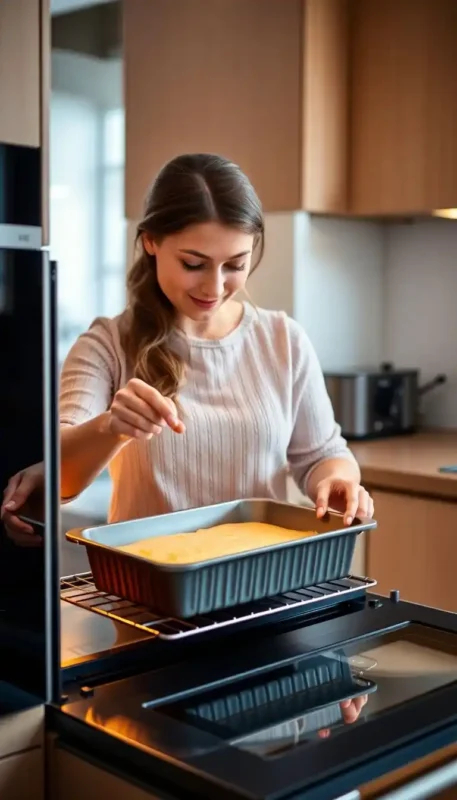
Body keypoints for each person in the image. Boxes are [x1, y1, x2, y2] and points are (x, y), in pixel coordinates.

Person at [2, 152, 373, 540]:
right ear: (150, 241)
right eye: (194, 264)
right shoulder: (107, 345)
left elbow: (322, 455)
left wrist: (336, 480)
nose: (215, 288)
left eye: (235, 265)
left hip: (264, 581)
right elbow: (61, 479)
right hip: (145, 588)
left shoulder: (283, 340)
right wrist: (111, 427)